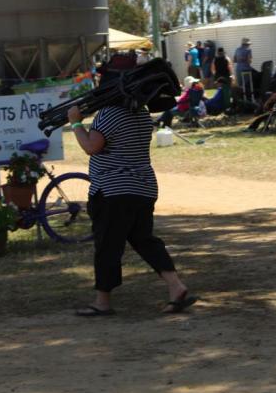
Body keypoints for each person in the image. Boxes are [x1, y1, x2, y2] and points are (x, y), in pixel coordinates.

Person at [66, 101, 197, 316]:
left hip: (113, 189)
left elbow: (91, 146)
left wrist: (75, 123)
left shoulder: (109, 112)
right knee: (144, 240)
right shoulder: (141, 113)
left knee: (108, 244)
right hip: (143, 186)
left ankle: (102, 302)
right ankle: (176, 286)